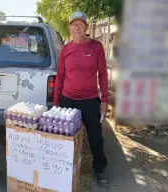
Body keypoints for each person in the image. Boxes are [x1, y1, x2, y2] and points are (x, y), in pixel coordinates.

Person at [53, 11, 109, 187]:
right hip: (68, 101)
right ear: (69, 28)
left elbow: (103, 75)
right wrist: (56, 102)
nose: (77, 27)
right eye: (74, 24)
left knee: (95, 137)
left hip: (91, 100)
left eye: (81, 24)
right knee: (65, 137)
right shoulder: (65, 49)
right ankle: (63, 169)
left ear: (86, 27)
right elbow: (60, 76)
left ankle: (99, 169)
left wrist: (105, 99)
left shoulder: (96, 47)